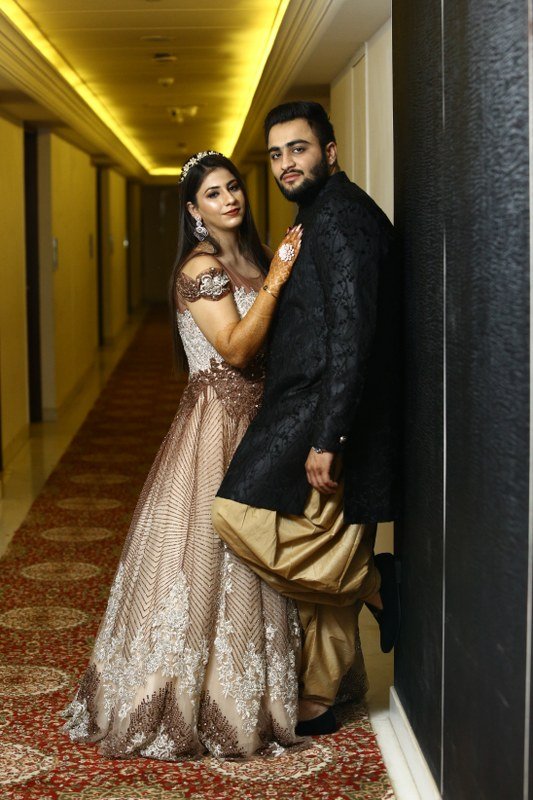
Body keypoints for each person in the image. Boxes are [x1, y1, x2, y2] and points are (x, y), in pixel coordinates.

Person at [62, 151, 304, 759]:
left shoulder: (254, 255)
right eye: (213, 194)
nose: (229, 199)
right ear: (194, 211)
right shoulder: (201, 267)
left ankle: (256, 693)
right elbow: (236, 349)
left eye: (233, 187)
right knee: (200, 554)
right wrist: (278, 278)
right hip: (214, 428)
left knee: (257, 553)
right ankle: (178, 698)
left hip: (262, 423)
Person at [212, 102, 402, 735]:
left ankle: (370, 583)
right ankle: (323, 690)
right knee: (327, 535)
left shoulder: (341, 216)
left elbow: (354, 333)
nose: (286, 164)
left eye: (299, 148)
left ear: (330, 151)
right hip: (313, 408)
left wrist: (329, 436)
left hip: (328, 414)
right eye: (276, 154)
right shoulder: (317, 213)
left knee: (234, 515)